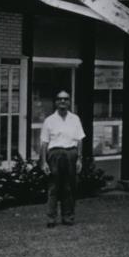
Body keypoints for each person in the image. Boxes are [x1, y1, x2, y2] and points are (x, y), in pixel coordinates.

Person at [40, 90, 85, 227]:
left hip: (71, 153)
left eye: (65, 99)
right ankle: (51, 218)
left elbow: (79, 140)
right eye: (60, 99)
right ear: (55, 102)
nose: (63, 102)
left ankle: (68, 217)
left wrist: (79, 159)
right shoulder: (49, 120)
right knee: (53, 187)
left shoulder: (75, 119)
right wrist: (44, 162)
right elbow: (44, 143)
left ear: (69, 102)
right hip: (55, 154)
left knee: (69, 187)